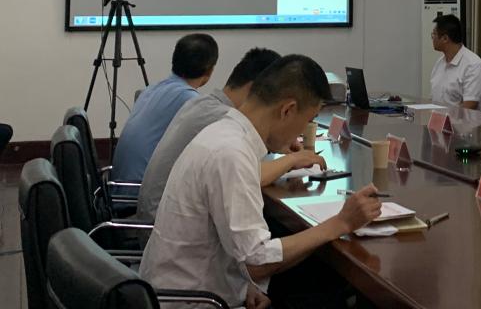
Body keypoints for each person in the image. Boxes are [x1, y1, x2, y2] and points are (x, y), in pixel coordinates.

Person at [139, 55, 382, 309]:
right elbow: (257, 262)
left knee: (313, 284)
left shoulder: (223, 132)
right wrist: (341, 223)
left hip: (185, 288)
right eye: (308, 120)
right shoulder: (231, 153)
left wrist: (244, 285)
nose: (302, 131)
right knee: (324, 290)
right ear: (287, 110)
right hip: (191, 301)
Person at [136, 47, 327, 222]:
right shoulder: (222, 118)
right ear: (256, 88)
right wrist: (293, 159)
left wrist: (275, 142)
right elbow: (248, 175)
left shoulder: (205, 103)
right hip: (161, 221)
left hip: (161, 214)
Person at [112, 34, 220, 182]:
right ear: (209, 71)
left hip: (119, 186)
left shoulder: (150, 90)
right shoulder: (191, 101)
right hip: (140, 191)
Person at [428, 14, 481, 111]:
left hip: (467, 120)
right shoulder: (440, 63)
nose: (432, 38)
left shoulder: (473, 65)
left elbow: (469, 106)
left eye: (434, 34)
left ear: (445, 39)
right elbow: (434, 99)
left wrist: (445, 117)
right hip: (442, 118)